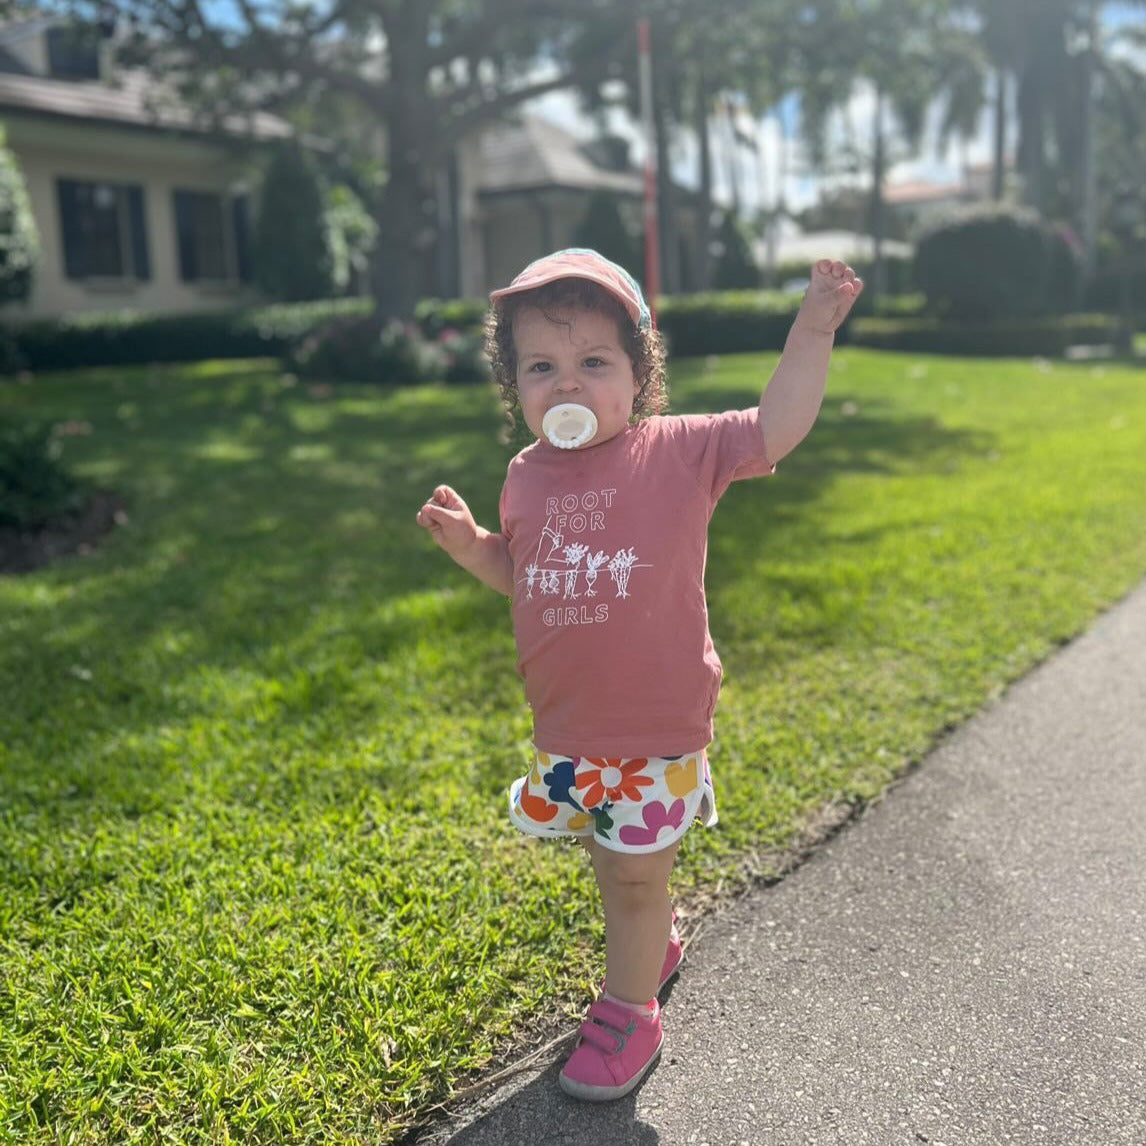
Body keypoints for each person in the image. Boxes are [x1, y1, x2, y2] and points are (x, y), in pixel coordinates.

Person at [416, 248, 862, 1102]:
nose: (568, 386)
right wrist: (474, 547)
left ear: (640, 374)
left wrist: (812, 328)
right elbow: (533, 572)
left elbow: (778, 424)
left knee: (631, 873)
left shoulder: (680, 453)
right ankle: (649, 941)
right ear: (514, 385)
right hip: (571, 727)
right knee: (609, 852)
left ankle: (631, 1007)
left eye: (594, 363)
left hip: (652, 730)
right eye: (542, 367)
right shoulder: (524, 476)